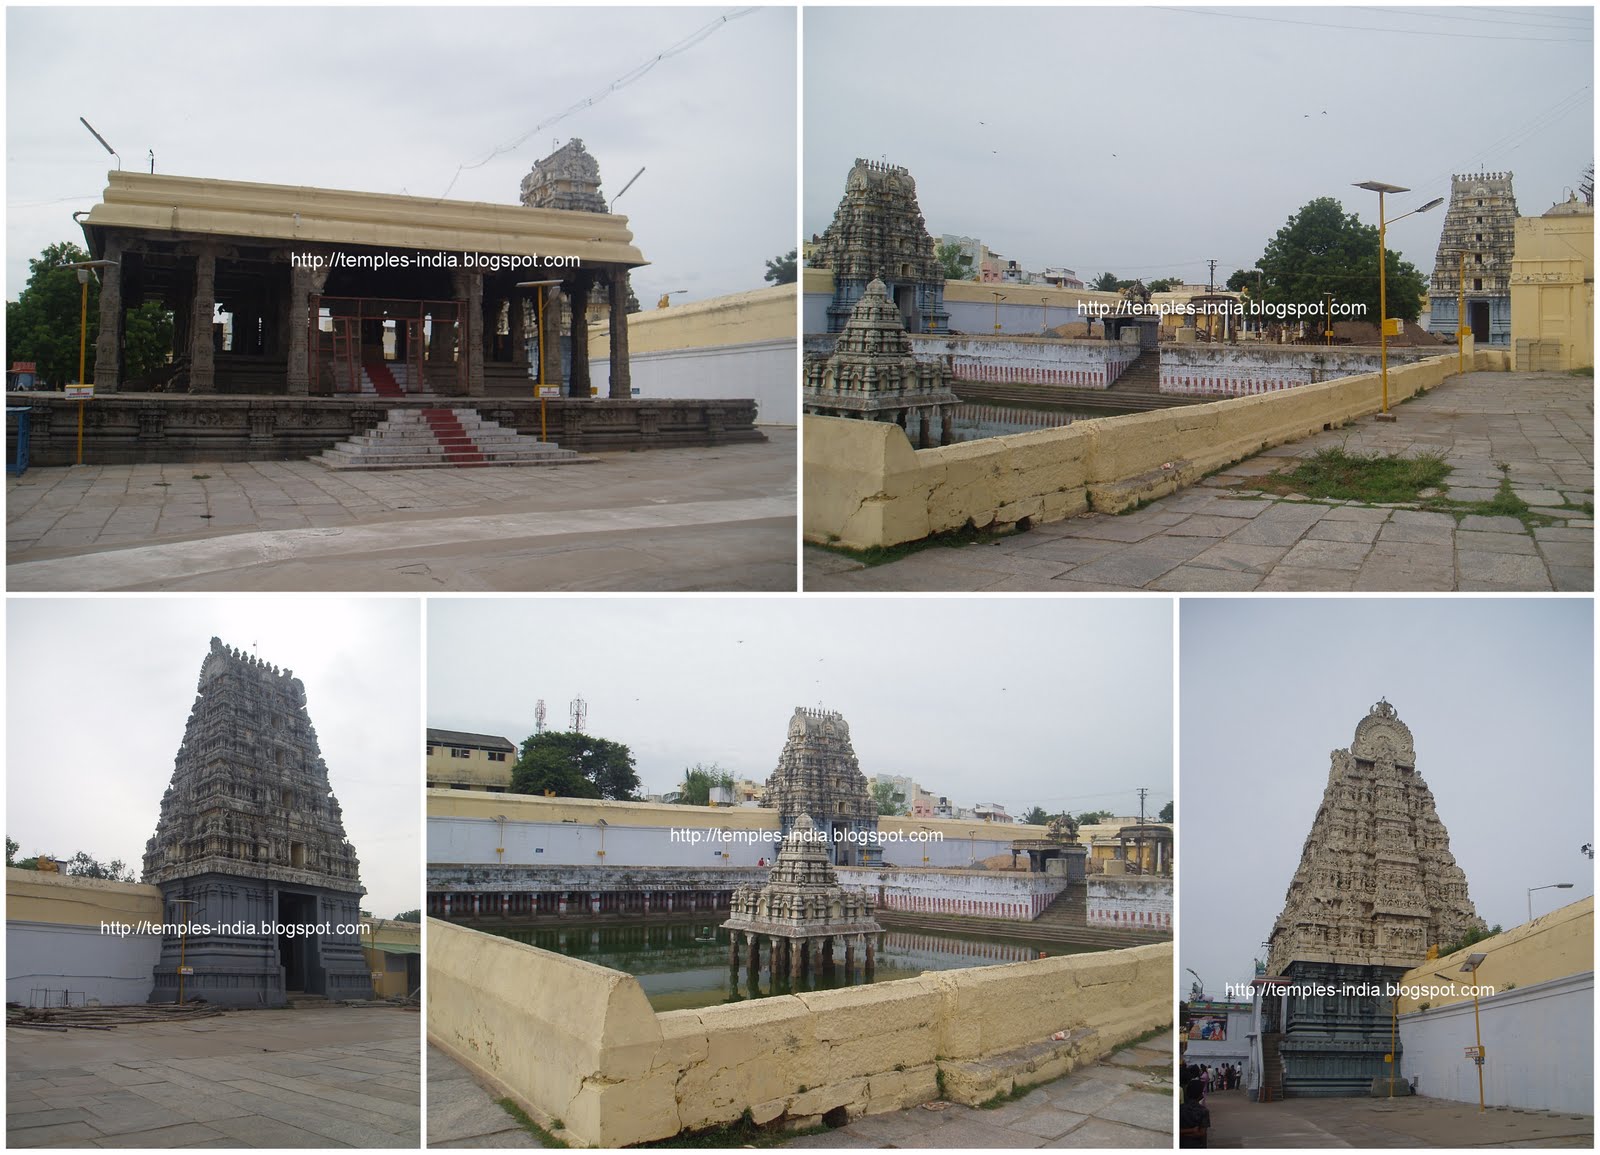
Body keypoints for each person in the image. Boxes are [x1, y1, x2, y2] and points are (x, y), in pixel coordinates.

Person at [1179, 1078, 1210, 1148]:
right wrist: (1193, 1131)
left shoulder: (1180, 1108)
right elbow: (1202, 1133)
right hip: (1197, 1144)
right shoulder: (1203, 1111)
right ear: (1200, 1095)